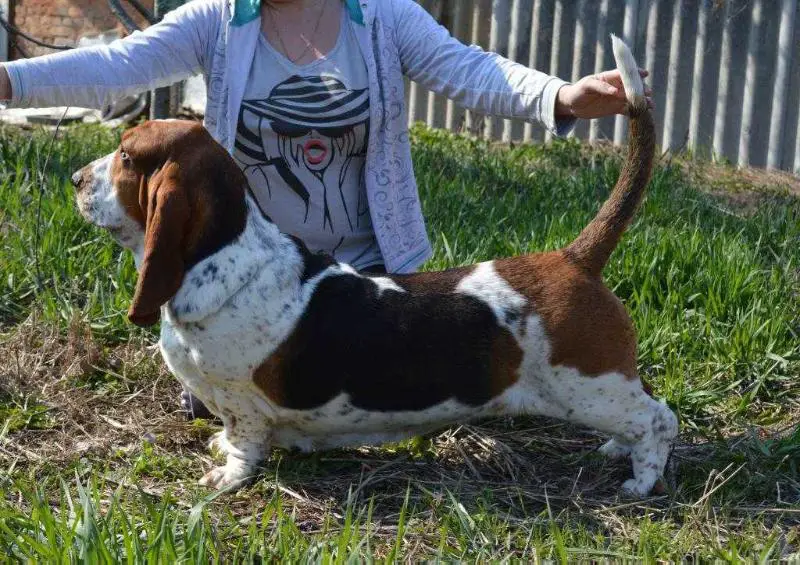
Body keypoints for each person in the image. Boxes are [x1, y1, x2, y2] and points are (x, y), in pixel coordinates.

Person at [0, 0, 652, 418]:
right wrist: (10, 80)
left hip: (368, 281)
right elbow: (121, 64)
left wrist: (562, 96)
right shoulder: (219, 20)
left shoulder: (384, 18)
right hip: (254, 288)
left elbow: (471, 71)